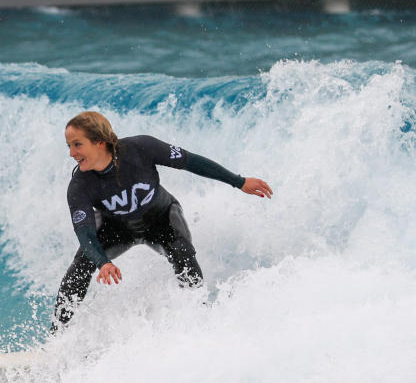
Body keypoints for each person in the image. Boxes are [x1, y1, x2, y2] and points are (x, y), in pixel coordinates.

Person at [51, 111, 272, 333]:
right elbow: (85, 232)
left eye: (77, 144)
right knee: (80, 266)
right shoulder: (79, 185)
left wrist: (239, 182)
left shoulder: (141, 148)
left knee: (181, 251)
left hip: (161, 217)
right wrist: (103, 263)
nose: (71, 153)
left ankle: (204, 323)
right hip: (115, 229)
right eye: (69, 146)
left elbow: (191, 161)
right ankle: (56, 336)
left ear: (99, 142)